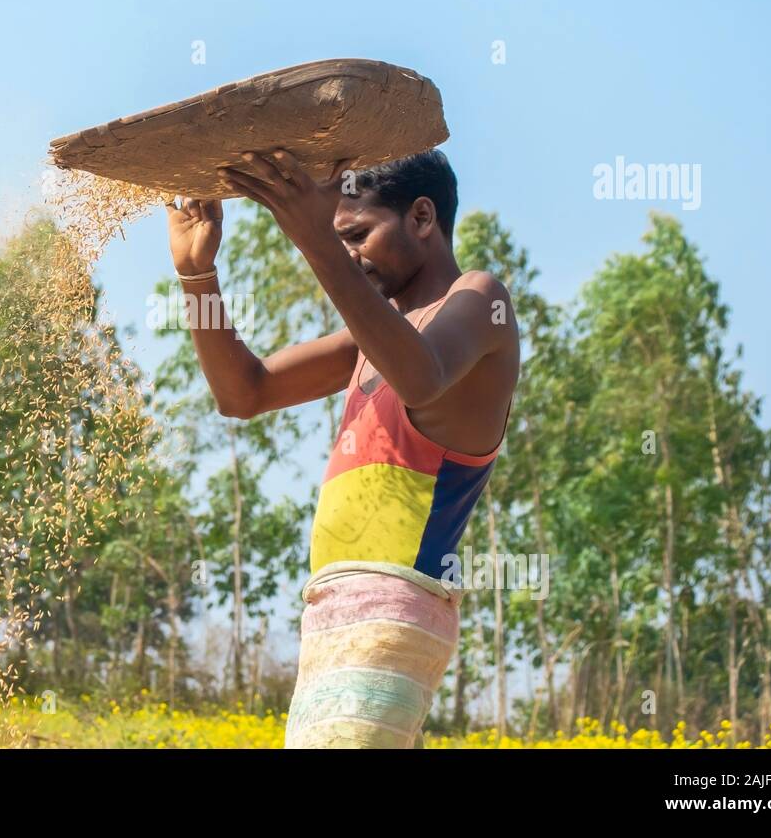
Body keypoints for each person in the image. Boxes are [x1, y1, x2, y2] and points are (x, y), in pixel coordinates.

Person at [164, 147, 520, 748]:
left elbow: (422, 377)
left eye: (357, 233)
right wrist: (197, 275)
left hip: (392, 602)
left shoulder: (481, 299)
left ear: (423, 218)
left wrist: (316, 243)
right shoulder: (373, 339)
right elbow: (243, 392)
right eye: (339, 239)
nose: (348, 251)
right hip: (335, 607)